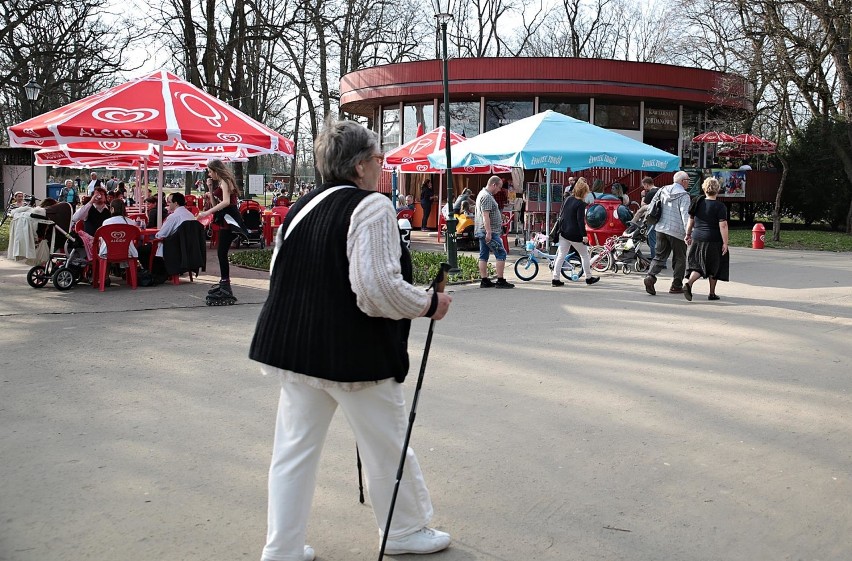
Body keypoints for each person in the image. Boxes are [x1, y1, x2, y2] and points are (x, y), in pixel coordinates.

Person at [249, 119, 453, 561]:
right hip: (353, 356)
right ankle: (402, 530)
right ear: (361, 166)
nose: (381, 165)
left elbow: (280, 274)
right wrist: (427, 303)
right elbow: (376, 288)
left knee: (293, 452)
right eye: (379, 158)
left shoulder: (303, 206)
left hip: (294, 350)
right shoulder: (372, 207)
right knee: (386, 446)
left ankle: (281, 548)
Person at [198, 159, 245, 302]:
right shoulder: (221, 182)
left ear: (216, 170)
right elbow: (216, 203)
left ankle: (225, 284)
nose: (209, 174)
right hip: (225, 220)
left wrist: (206, 213)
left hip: (230, 220)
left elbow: (225, 202)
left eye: (210, 171)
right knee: (221, 252)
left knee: (221, 253)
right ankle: (224, 282)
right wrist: (210, 189)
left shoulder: (225, 181)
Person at [643, 170, 691, 296]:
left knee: (659, 256)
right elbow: (685, 215)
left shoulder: (662, 190)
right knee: (680, 258)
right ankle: (676, 286)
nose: (688, 183)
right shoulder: (684, 195)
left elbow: (652, 205)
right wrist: (688, 233)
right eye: (688, 181)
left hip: (660, 228)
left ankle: (650, 276)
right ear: (682, 181)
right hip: (677, 231)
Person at [684, 177, 730, 301]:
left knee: (698, 265)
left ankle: (689, 283)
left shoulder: (697, 202)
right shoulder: (720, 206)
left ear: (704, 188)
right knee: (714, 266)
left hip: (697, 238)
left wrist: (688, 235)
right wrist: (725, 242)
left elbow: (691, 221)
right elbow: (723, 225)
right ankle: (712, 293)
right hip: (714, 239)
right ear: (718, 190)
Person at [552, 180, 600, 287]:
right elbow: (580, 221)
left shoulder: (568, 199)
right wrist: (584, 236)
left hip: (563, 231)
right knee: (584, 255)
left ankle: (555, 279)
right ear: (584, 192)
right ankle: (588, 277)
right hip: (574, 234)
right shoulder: (581, 204)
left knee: (561, 255)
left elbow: (562, 214)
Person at [475, 175, 514, 288]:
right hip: (488, 231)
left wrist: (500, 215)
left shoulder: (483, 194)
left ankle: (484, 280)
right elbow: (485, 215)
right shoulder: (487, 196)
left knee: (484, 255)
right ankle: (500, 280)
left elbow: (488, 212)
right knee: (501, 253)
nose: (499, 190)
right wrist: (488, 232)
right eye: (499, 187)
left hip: (483, 230)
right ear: (494, 184)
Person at [640, 176, 659, 260]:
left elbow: (643, 205)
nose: (644, 188)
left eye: (644, 186)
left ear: (646, 185)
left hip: (652, 218)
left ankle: (654, 258)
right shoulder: (660, 190)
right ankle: (662, 260)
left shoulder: (650, 193)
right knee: (660, 241)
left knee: (652, 240)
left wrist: (643, 196)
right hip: (660, 218)